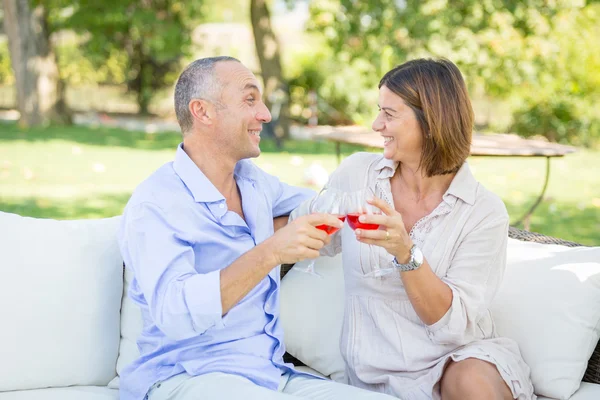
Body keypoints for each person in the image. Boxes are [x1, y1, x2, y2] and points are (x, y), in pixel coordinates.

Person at [118, 56, 397, 400]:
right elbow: (175, 313)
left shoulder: (253, 183)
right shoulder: (156, 204)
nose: (265, 114)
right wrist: (271, 250)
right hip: (186, 378)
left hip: (268, 376)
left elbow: (314, 206)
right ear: (202, 112)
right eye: (250, 100)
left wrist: (363, 207)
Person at [291, 58, 536, 400]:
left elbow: (451, 326)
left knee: (470, 381)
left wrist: (406, 253)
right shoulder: (358, 175)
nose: (376, 125)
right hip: (370, 372)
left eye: (389, 114)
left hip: (455, 362)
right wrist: (320, 217)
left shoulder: (483, 211)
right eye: (379, 111)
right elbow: (303, 236)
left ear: (432, 122)